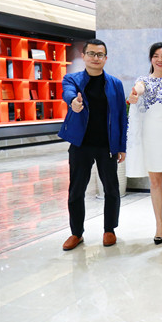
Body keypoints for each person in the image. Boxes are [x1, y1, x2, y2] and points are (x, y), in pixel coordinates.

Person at [58, 39, 127, 251]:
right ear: (84, 56)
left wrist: (121, 146)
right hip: (81, 144)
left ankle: (109, 229)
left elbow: (121, 117)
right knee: (76, 190)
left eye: (100, 54)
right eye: (91, 54)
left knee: (111, 189)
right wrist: (74, 102)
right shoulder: (72, 79)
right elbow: (67, 93)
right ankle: (76, 233)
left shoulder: (115, 84)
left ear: (106, 58)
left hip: (107, 145)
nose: (95, 58)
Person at [126, 42, 162, 245]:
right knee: (155, 182)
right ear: (151, 59)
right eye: (156, 56)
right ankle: (159, 224)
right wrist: (135, 93)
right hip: (150, 137)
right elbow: (138, 89)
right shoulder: (143, 80)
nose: (160, 60)